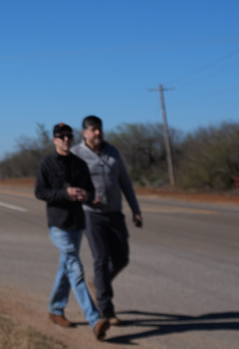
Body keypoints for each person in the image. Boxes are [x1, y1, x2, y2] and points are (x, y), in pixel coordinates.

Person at [35, 123, 109, 341]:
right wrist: (65, 193)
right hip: (58, 225)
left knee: (66, 268)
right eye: (61, 136)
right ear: (54, 140)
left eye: (69, 136)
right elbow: (40, 191)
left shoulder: (79, 163)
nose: (66, 139)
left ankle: (55, 309)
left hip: (77, 224)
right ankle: (95, 320)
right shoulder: (47, 163)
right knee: (76, 269)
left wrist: (86, 196)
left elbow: (91, 190)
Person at [71, 115, 142, 326]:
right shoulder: (76, 154)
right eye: (93, 130)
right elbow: (70, 182)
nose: (97, 133)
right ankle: (106, 310)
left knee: (121, 258)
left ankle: (99, 284)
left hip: (115, 213)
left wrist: (135, 210)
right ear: (84, 133)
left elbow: (125, 182)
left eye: (99, 129)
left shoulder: (113, 152)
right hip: (91, 214)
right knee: (101, 259)